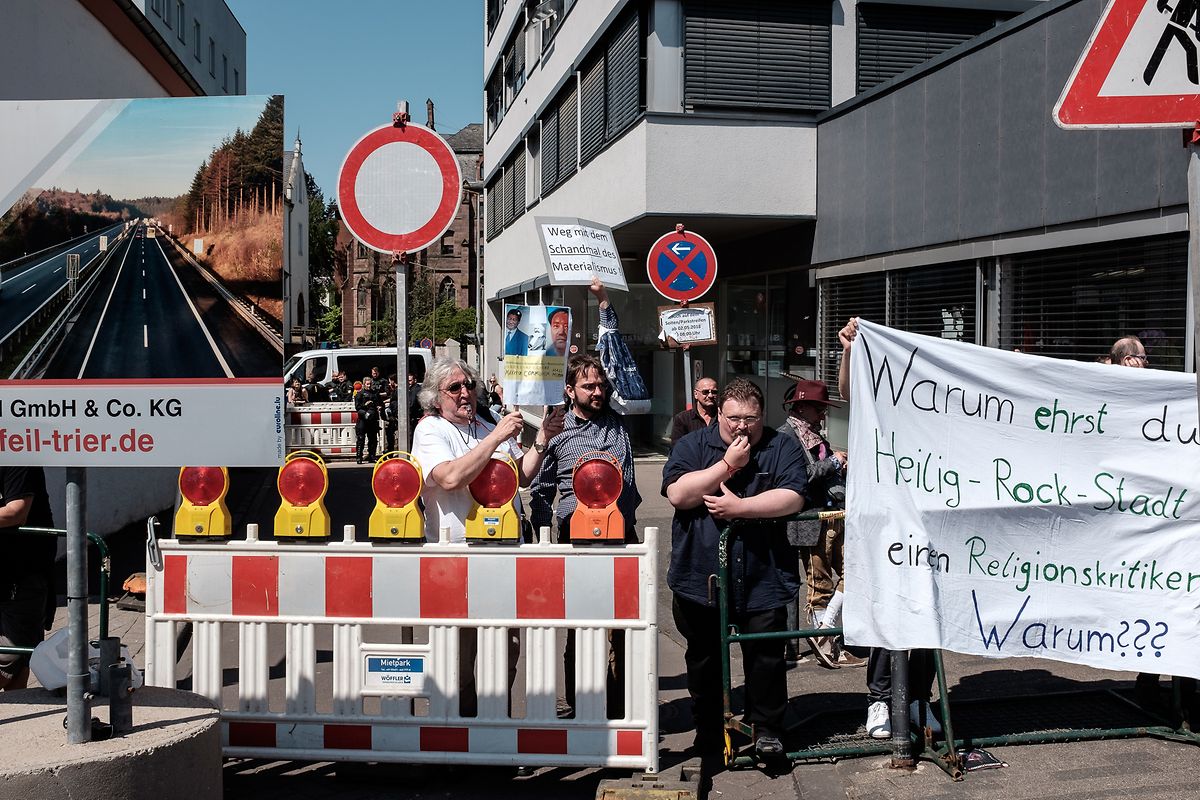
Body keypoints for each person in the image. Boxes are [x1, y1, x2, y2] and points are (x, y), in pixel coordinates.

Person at [664, 377, 808, 760]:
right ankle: (709, 732)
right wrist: (728, 465)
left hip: (764, 575)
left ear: (763, 416)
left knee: (766, 659)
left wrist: (740, 509)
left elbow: (793, 497)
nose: (742, 426)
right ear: (719, 414)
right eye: (733, 418)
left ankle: (767, 730)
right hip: (702, 577)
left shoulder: (781, 446)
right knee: (705, 660)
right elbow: (679, 493)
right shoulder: (694, 445)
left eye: (751, 418)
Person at [411, 358, 564, 715]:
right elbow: (450, 478)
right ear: (436, 397)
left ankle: (498, 727)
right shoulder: (432, 430)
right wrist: (496, 436)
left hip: (502, 553)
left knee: (505, 649)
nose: (465, 393)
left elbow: (521, 476)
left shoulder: (483, 423)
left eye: (469, 385)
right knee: (459, 657)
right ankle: (460, 733)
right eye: (455, 388)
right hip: (456, 559)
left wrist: (542, 439)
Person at [838, 316, 940, 740]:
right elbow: (850, 392)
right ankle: (881, 699)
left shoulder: (944, 401)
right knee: (887, 607)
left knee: (931, 613)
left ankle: (919, 698)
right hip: (888, 519)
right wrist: (849, 352)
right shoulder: (885, 392)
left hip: (933, 521)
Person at [776, 378, 863, 669]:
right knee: (820, 583)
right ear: (801, 407)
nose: (823, 414)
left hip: (834, 515)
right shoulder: (786, 437)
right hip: (812, 519)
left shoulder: (814, 435)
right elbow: (797, 477)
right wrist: (835, 463)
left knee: (857, 571)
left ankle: (825, 630)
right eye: (818, 408)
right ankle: (827, 647)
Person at [0, 466, 56, 691]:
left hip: (20, 577)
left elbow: (16, 511)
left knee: (12, 657)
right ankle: (15, 713)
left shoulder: (18, 457)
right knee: (20, 666)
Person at [669, 377, 718, 449]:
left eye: (714, 392)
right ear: (696, 394)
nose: (710, 395)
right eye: (705, 392)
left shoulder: (723, 417)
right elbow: (676, 447)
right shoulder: (682, 418)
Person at [355, 375, 383, 464]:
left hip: (373, 420)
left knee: (373, 439)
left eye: (370, 384)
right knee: (361, 439)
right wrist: (365, 405)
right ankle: (359, 457)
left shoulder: (375, 393)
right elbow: (357, 407)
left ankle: (372, 456)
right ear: (363, 384)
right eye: (367, 384)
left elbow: (380, 403)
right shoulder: (359, 394)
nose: (369, 385)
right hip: (363, 420)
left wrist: (379, 407)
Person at [384, 375, 400, 452]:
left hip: (395, 415)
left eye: (390, 381)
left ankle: (391, 450)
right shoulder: (395, 390)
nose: (389, 384)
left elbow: (394, 401)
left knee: (391, 434)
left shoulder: (397, 390)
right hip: (394, 414)